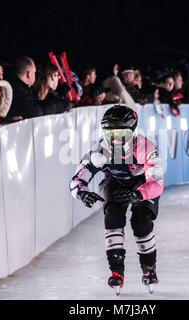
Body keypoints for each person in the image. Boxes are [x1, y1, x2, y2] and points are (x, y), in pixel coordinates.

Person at [69, 105, 164, 294]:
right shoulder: (100, 151)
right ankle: (116, 271)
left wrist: (138, 194)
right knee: (112, 217)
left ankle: (149, 267)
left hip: (142, 183)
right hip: (115, 182)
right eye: (109, 133)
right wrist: (83, 193)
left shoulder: (146, 147)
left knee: (141, 221)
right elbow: (77, 180)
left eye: (121, 133)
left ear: (133, 131)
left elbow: (157, 182)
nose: (114, 139)